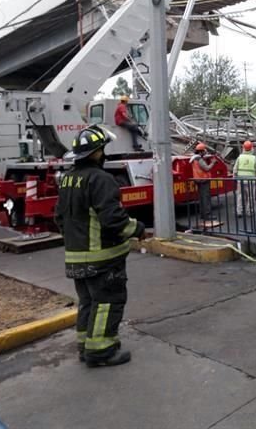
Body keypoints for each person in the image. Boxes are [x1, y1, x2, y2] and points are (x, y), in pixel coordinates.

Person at [54, 125, 145, 368]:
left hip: (75, 257)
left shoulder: (67, 179)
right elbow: (113, 219)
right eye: (102, 149)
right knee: (107, 302)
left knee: (88, 302)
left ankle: (85, 346)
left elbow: (59, 217)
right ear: (96, 153)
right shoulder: (101, 179)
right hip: (102, 259)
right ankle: (101, 351)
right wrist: (137, 229)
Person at [232, 140, 256, 217]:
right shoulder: (254, 158)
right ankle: (250, 211)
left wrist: (234, 178)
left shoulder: (240, 157)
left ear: (243, 148)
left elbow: (235, 169)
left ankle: (239, 211)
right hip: (251, 181)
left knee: (240, 196)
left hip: (240, 181)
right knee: (251, 197)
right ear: (252, 148)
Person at [190, 142, 216, 219]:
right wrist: (213, 163)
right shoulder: (199, 159)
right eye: (204, 150)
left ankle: (203, 214)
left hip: (198, 179)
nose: (205, 152)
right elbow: (207, 168)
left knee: (201, 198)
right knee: (206, 198)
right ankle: (207, 215)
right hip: (204, 180)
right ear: (201, 151)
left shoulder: (194, 158)